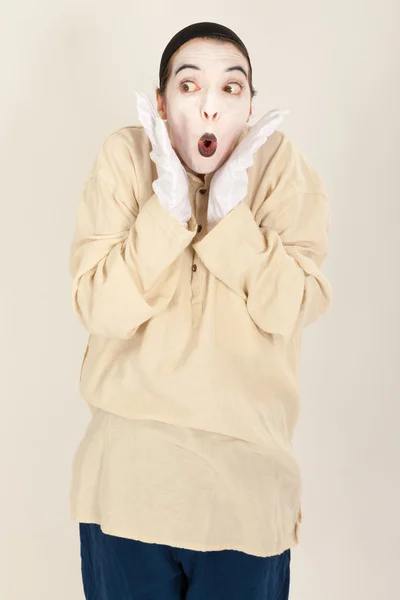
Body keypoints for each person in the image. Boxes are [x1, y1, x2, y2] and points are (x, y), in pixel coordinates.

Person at [69, 21, 331, 600]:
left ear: (249, 108)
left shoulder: (282, 168)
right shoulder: (124, 157)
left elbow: (294, 305)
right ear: (160, 104)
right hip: (127, 489)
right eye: (190, 87)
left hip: (247, 496)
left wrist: (232, 215)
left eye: (231, 89)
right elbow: (100, 306)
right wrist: (167, 208)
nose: (211, 107)